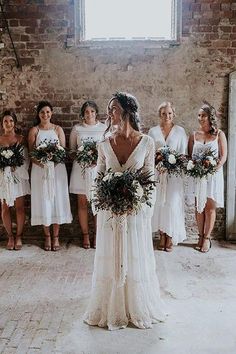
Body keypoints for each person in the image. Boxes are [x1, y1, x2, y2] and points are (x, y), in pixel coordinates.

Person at [84, 92, 166, 330]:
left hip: (135, 212)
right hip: (110, 213)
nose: (110, 113)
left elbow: (150, 181)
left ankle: (135, 305)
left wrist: (139, 205)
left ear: (128, 110)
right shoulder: (104, 144)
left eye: (114, 108)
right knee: (112, 257)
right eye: (109, 109)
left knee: (134, 255)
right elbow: (98, 179)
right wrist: (105, 200)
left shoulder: (147, 142)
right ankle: (112, 306)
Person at [28, 101, 72, 251]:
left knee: (56, 200)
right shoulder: (34, 130)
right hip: (40, 171)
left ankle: (56, 237)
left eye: (47, 112)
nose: (45, 115)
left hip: (57, 171)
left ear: (51, 113)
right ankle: (47, 236)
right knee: (44, 201)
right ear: (38, 114)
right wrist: (43, 164)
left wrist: (52, 163)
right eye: (42, 112)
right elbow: (32, 154)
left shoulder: (57, 129)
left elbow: (62, 152)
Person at [188, 102, 227, 253]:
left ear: (210, 117)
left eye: (203, 115)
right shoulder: (193, 135)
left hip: (212, 176)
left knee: (210, 208)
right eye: (199, 115)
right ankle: (199, 235)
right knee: (199, 208)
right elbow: (190, 157)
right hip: (198, 177)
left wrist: (213, 169)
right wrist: (195, 168)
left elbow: (223, 157)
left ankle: (207, 238)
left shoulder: (219, 134)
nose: (200, 118)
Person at [148, 102, 187, 252]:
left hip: (173, 175)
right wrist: (157, 163)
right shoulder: (153, 132)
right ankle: (161, 235)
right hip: (158, 174)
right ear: (160, 115)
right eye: (164, 113)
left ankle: (170, 236)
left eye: (170, 113)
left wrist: (173, 164)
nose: (167, 116)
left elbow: (183, 155)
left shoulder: (180, 131)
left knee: (171, 203)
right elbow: (150, 153)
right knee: (160, 203)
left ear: (173, 114)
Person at [69, 100, 106, 249]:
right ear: (82, 114)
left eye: (92, 111)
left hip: (97, 170)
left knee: (97, 204)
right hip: (81, 171)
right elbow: (71, 152)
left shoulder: (103, 129)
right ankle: (85, 236)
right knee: (82, 203)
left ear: (96, 113)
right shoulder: (77, 129)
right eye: (86, 112)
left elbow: (107, 152)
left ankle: (97, 235)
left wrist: (96, 160)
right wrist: (82, 157)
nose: (89, 114)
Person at [0, 110, 30, 250]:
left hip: (18, 176)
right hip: (3, 179)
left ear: (15, 123)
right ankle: (10, 237)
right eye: (6, 121)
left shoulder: (21, 139)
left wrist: (15, 167)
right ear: (2, 124)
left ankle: (18, 236)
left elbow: (26, 159)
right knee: (5, 208)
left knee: (19, 207)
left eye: (11, 121)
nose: (9, 124)